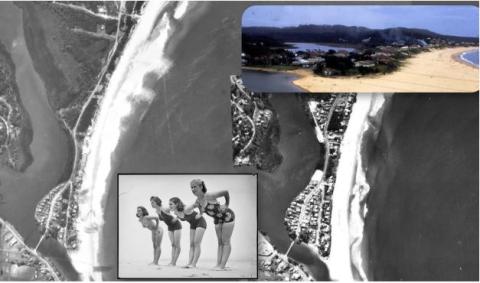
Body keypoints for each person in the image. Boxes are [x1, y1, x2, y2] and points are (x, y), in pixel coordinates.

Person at [190, 179, 235, 270]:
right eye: (191, 187)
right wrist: (200, 214)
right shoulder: (198, 201)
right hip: (217, 219)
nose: (193, 189)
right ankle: (218, 264)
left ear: (201, 186)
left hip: (227, 216)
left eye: (195, 186)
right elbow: (201, 209)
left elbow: (226, 192)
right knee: (220, 242)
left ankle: (222, 266)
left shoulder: (209, 195)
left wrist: (226, 204)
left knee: (225, 241)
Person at [169, 197, 207, 268]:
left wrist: (200, 214)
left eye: (171, 204)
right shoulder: (176, 212)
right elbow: (180, 216)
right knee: (191, 244)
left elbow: (197, 204)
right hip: (193, 225)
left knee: (196, 243)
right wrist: (176, 218)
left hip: (200, 222)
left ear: (177, 204)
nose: (169, 206)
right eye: (169, 204)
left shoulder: (186, 209)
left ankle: (194, 264)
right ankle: (189, 263)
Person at [150, 196, 182, 266]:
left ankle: (174, 262)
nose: (151, 204)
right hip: (170, 227)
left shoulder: (164, 208)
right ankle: (172, 262)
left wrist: (177, 218)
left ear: (157, 202)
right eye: (151, 203)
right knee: (173, 245)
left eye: (152, 202)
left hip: (177, 226)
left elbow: (180, 209)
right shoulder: (157, 211)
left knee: (177, 245)